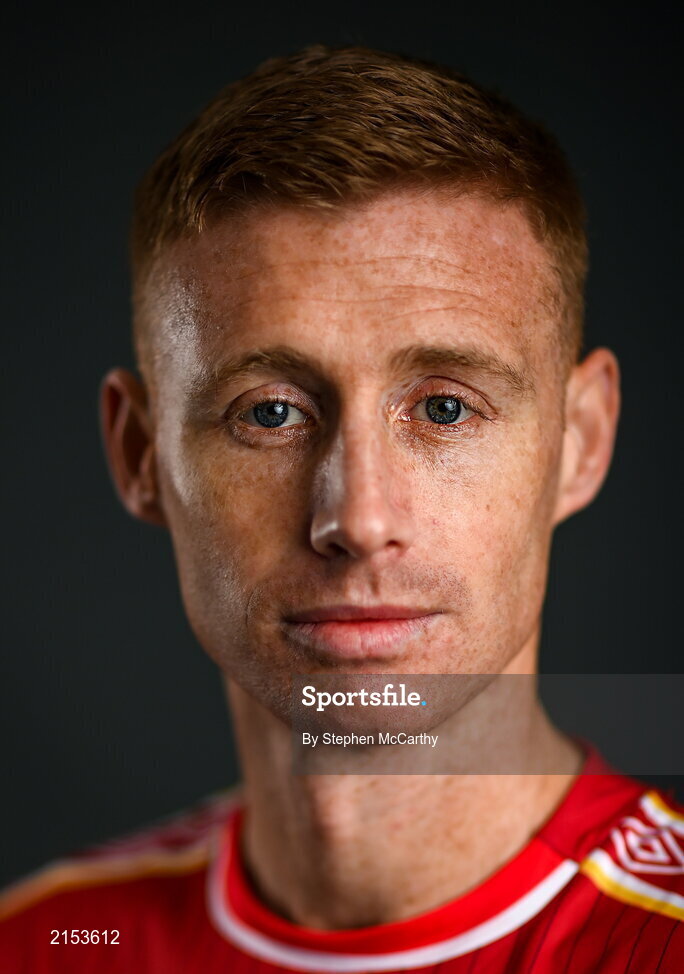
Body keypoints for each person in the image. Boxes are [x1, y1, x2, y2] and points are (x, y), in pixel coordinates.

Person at [1, 45, 682, 972]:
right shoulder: (48, 947)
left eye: (446, 408)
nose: (358, 518)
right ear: (140, 454)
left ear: (582, 442)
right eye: (271, 413)